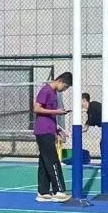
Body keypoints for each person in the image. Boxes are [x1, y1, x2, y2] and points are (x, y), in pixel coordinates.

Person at [33, 73, 72, 202]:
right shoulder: (46, 90)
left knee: (44, 162)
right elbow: (37, 108)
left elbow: (50, 116)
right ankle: (59, 191)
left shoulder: (54, 93)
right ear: (60, 81)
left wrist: (57, 130)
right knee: (53, 161)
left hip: (49, 130)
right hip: (43, 131)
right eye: (65, 87)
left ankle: (43, 191)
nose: (64, 90)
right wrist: (57, 112)